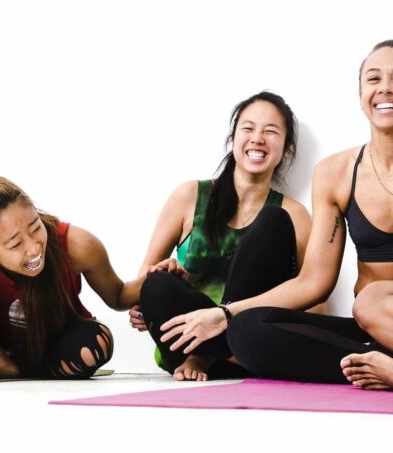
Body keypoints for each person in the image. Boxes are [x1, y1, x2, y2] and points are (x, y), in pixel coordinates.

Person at [171, 42, 393, 385]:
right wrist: (226, 313)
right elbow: (314, 282)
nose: (385, 88)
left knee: (369, 302)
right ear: (361, 94)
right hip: (370, 330)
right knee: (247, 331)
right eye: (373, 78)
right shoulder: (334, 173)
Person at [0, 168, 183, 379]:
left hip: (51, 344)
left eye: (35, 227)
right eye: (15, 244)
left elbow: (117, 296)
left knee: (97, 344)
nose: (33, 247)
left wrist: (156, 277)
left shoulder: (78, 244)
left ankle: (13, 369)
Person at [132, 91, 313, 381]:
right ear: (233, 139)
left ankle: (207, 356)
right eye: (248, 128)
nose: (257, 138)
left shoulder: (294, 215)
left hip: (250, 343)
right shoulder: (188, 196)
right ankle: (207, 352)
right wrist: (146, 304)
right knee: (156, 286)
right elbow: (143, 279)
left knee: (273, 221)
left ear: (286, 150)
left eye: (271, 131)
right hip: (185, 343)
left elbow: (312, 300)